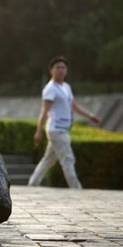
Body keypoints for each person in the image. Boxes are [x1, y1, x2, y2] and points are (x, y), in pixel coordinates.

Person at [28, 56, 100, 189]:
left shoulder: (66, 87)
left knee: (48, 159)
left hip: (63, 128)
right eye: (57, 68)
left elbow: (74, 106)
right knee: (68, 159)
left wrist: (90, 116)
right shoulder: (50, 89)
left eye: (63, 68)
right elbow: (44, 111)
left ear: (66, 70)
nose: (60, 70)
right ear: (51, 70)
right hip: (56, 129)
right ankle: (76, 189)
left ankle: (33, 183)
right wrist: (39, 130)